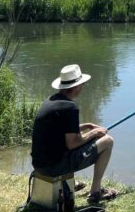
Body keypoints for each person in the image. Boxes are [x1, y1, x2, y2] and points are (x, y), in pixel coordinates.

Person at [31, 64, 119, 204]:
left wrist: (88, 126)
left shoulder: (51, 101)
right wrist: (95, 132)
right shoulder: (71, 107)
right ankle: (95, 192)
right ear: (77, 87)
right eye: (82, 84)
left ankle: (70, 183)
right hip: (53, 167)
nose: (82, 87)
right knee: (108, 141)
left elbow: (61, 131)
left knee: (84, 142)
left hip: (39, 164)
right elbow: (72, 143)